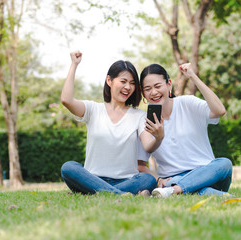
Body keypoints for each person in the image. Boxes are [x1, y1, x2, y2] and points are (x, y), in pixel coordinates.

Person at [60, 51, 164, 195]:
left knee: (148, 179)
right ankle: (120, 194)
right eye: (123, 81)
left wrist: (159, 137)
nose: (128, 87)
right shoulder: (93, 109)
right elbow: (66, 100)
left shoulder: (139, 115)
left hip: (127, 180)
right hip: (93, 178)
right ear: (109, 81)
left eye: (132, 83)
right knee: (68, 167)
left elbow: (148, 145)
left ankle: (98, 192)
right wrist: (74, 64)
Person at [138, 62, 233, 197]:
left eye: (158, 86)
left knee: (225, 164)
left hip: (207, 174)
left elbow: (220, 110)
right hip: (174, 178)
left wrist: (193, 76)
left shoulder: (187, 103)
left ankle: (176, 190)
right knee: (200, 190)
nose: (153, 92)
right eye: (147, 89)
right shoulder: (145, 122)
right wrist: (159, 180)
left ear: (169, 84)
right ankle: (182, 190)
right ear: (143, 93)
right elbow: (142, 162)